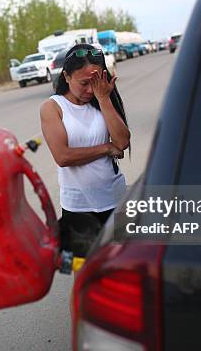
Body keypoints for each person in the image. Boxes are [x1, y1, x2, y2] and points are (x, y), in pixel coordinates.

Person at [40, 43, 130, 258]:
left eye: (95, 82)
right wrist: (106, 148)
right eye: (84, 83)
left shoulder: (101, 98)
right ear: (67, 77)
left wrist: (104, 98)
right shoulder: (53, 107)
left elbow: (122, 141)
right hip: (79, 207)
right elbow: (63, 156)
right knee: (84, 269)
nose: (91, 89)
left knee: (120, 264)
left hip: (114, 198)